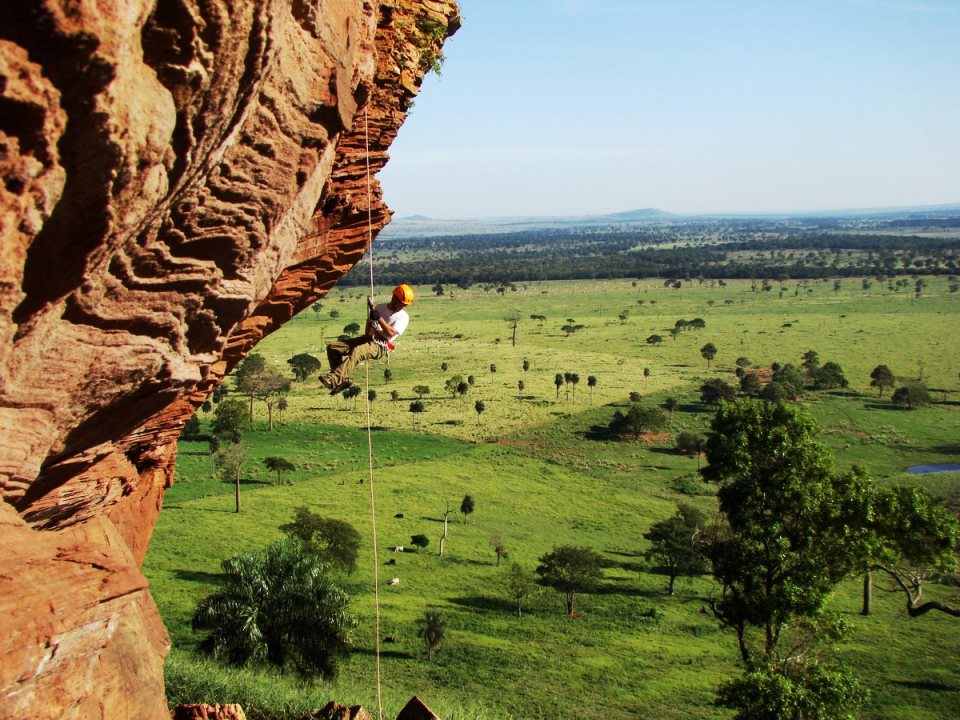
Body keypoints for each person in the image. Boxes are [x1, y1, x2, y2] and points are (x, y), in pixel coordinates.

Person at [319, 283, 414, 394]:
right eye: (401, 303)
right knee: (333, 347)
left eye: (405, 305)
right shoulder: (379, 307)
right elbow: (368, 328)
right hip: (368, 338)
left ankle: (333, 379)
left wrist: (379, 319)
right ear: (394, 298)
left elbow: (391, 333)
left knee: (357, 351)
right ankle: (341, 381)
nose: (402, 306)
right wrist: (372, 321)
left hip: (380, 345)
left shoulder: (403, 317)